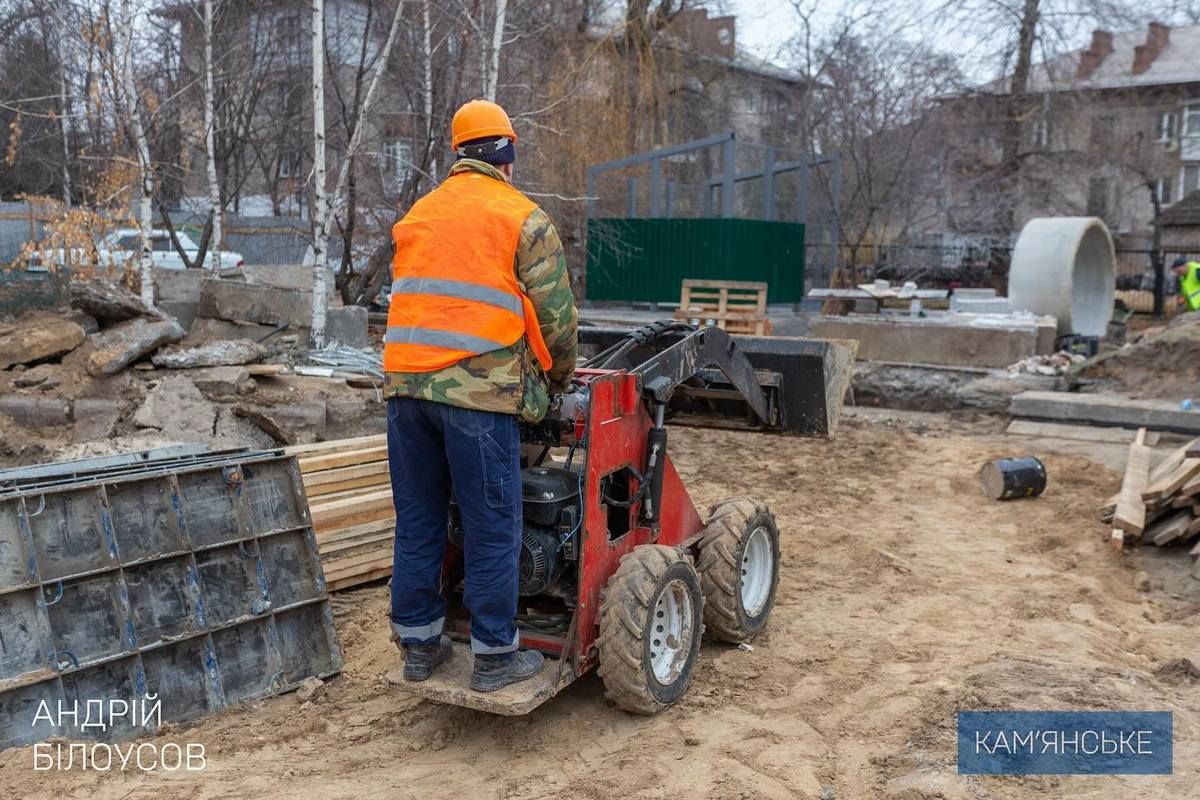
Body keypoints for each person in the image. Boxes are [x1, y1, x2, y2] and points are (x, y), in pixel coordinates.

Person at [382, 99, 578, 692]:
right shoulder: (522, 218)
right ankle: (494, 659)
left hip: (405, 394)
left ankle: (420, 647)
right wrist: (560, 381)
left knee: (420, 520)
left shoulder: (419, 214)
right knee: (493, 526)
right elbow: (557, 322)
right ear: (508, 156)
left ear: (458, 154)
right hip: (478, 399)